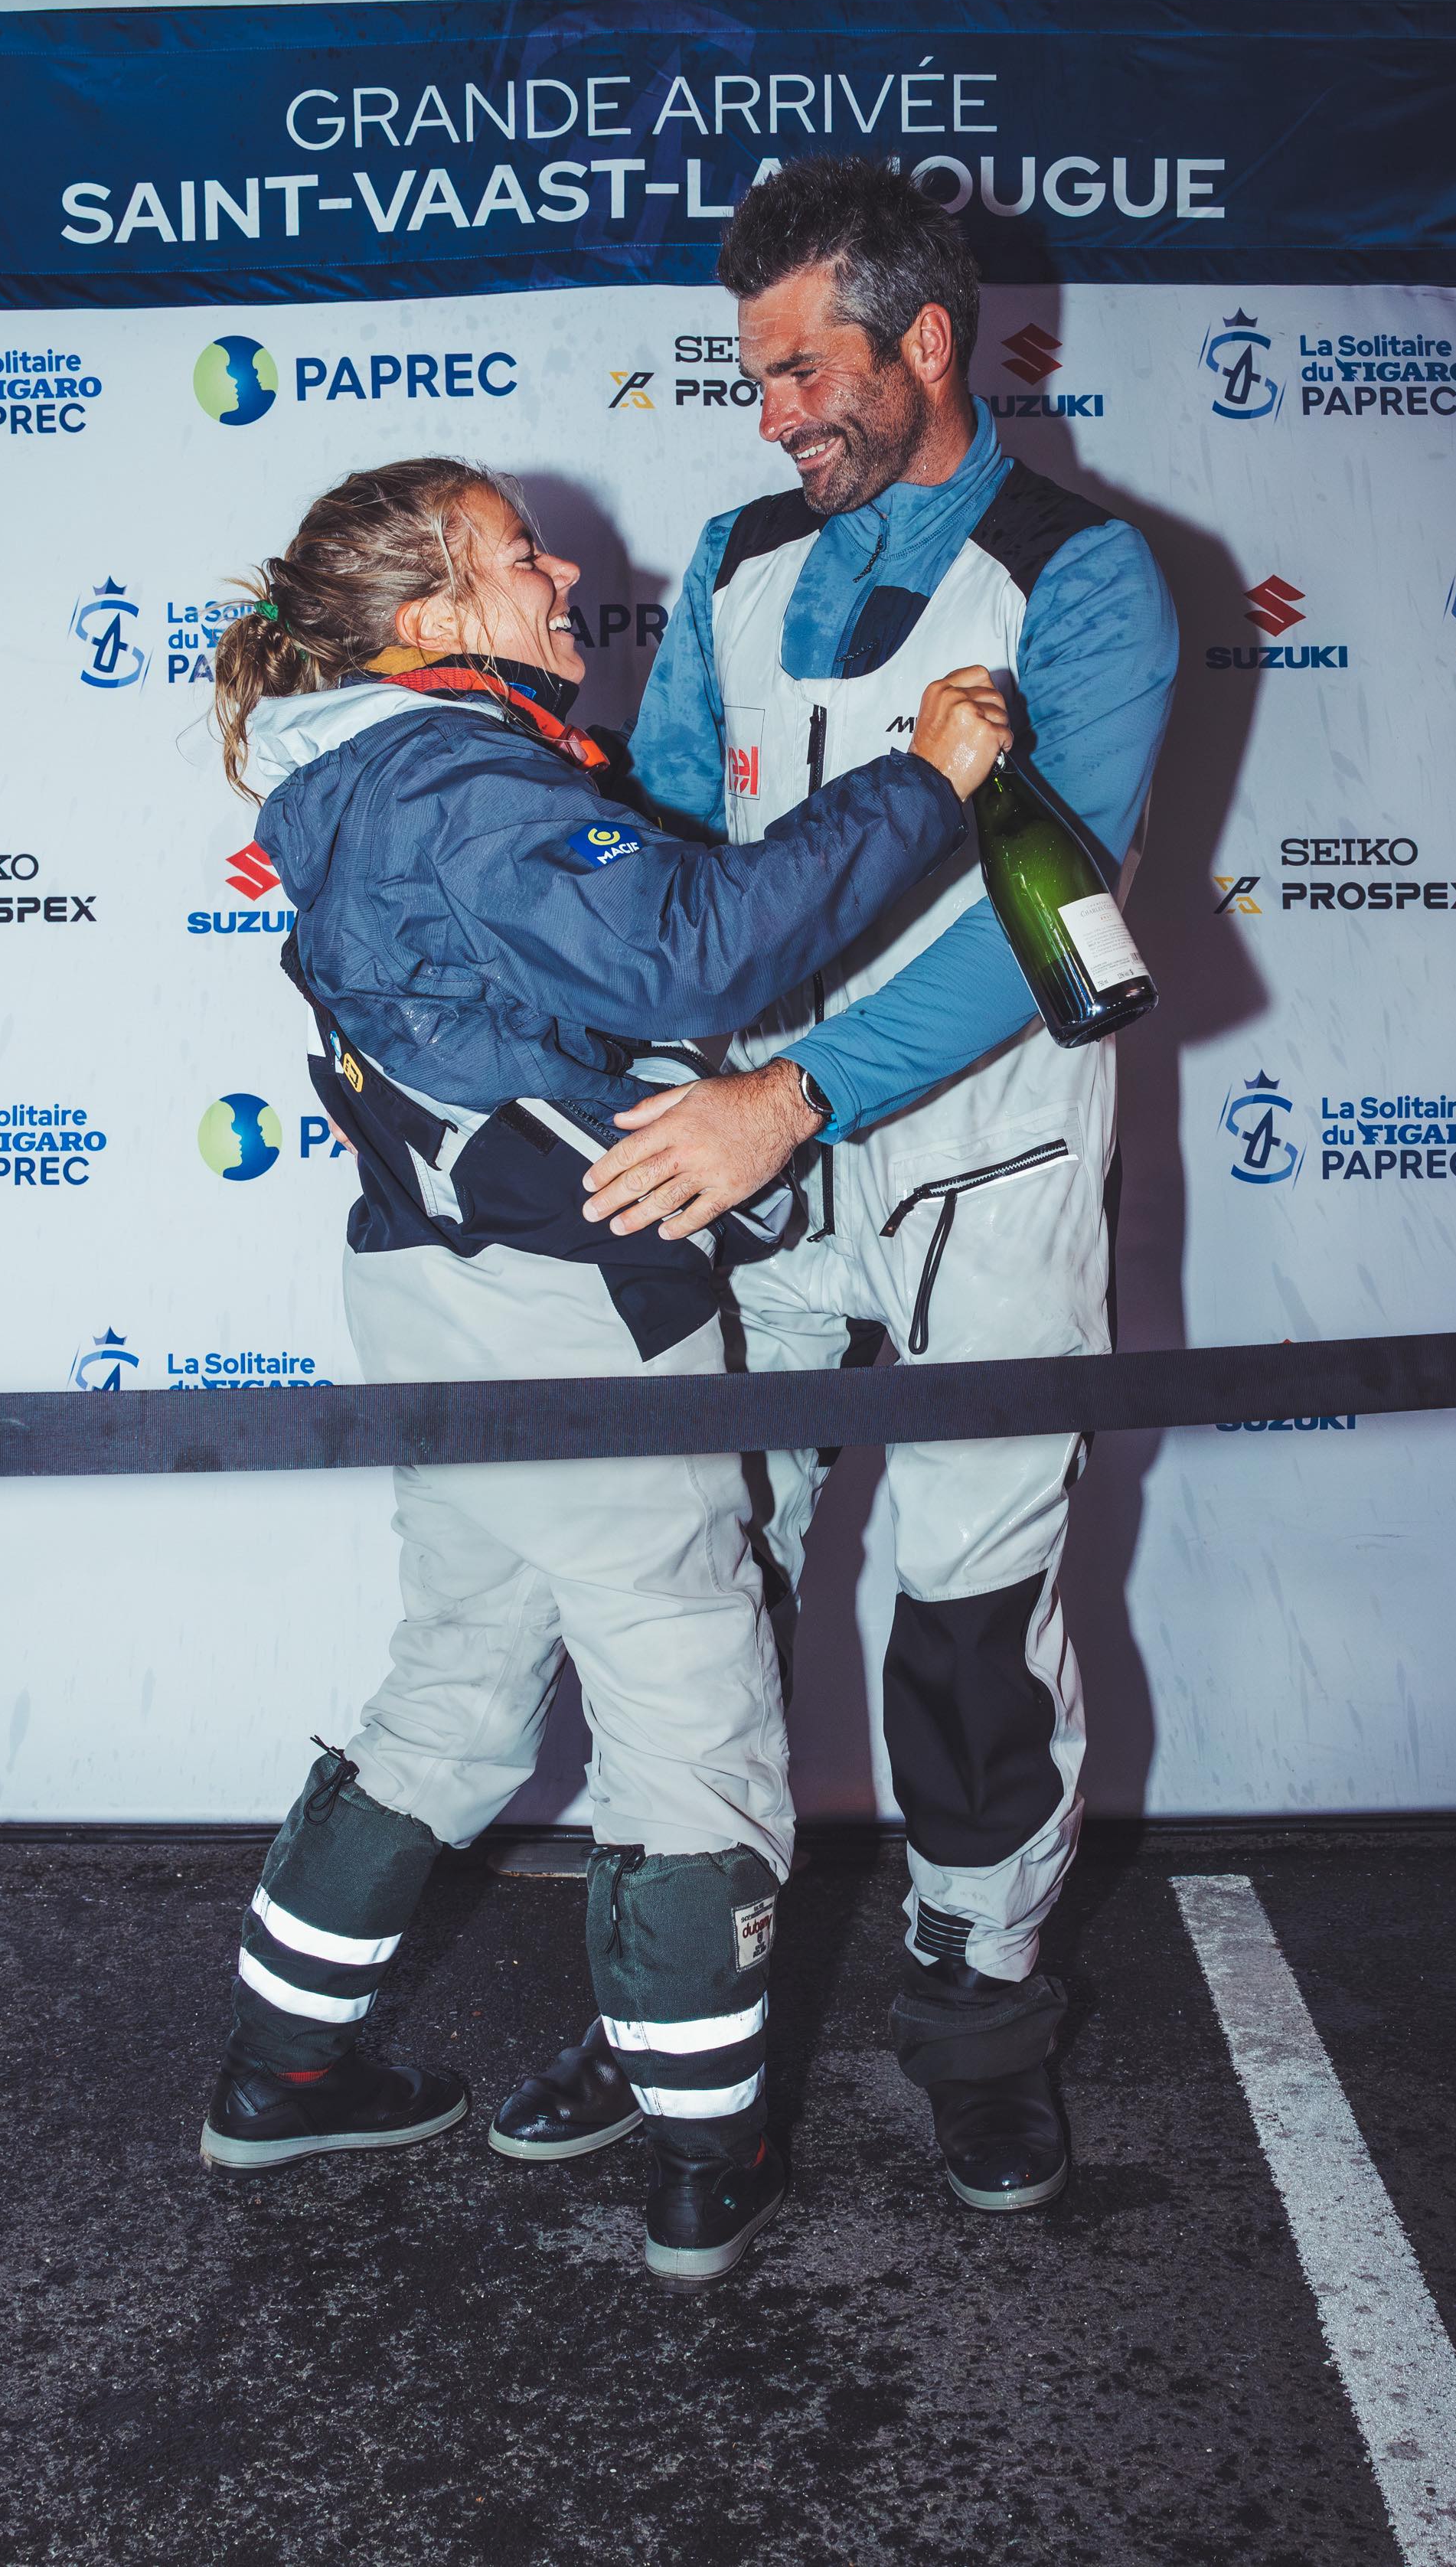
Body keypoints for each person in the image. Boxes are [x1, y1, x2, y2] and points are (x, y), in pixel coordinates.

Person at [198, 452, 1010, 2283]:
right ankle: (706, 2158)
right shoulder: (453, 776)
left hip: (436, 1295)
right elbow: (693, 942)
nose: (561, 569)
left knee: (460, 1684)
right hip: (563, 1312)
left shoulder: (371, 770)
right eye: (514, 555)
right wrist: (926, 780)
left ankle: (279, 2067)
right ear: (431, 618)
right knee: (689, 1701)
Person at [517, 156, 1180, 2213]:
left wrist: (791, 1092)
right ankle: (670, 1998)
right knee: (700, 1588)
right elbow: (694, 872)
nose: (773, 403)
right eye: (753, 366)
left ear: (923, 338)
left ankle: (978, 2006)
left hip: (980, 1150)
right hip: (756, 1153)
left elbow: (1035, 927)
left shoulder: (1086, 575)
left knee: (974, 1617)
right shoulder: (724, 557)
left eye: (806, 362)